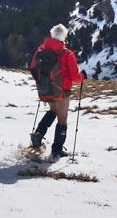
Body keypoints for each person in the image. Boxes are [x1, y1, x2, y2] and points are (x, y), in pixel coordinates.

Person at [29, 23, 84, 158]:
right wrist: (83, 77)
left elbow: (33, 67)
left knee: (53, 111)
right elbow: (75, 77)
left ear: (52, 35)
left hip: (46, 89)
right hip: (62, 91)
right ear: (64, 37)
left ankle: (38, 134)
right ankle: (57, 149)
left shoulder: (41, 50)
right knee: (62, 119)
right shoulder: (66, 54)